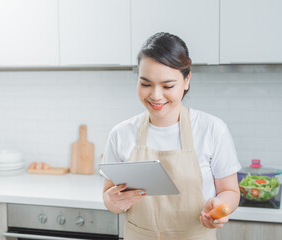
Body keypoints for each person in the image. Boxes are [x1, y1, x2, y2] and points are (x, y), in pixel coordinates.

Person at [101, 32, 241, 239]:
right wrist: (111, 202)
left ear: (186, 80)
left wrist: (220, 207)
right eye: (145, 84)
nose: (156, 95)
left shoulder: (212, 130)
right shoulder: (121, 134)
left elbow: (231, 191)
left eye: (167, 86)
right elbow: (109, 194)